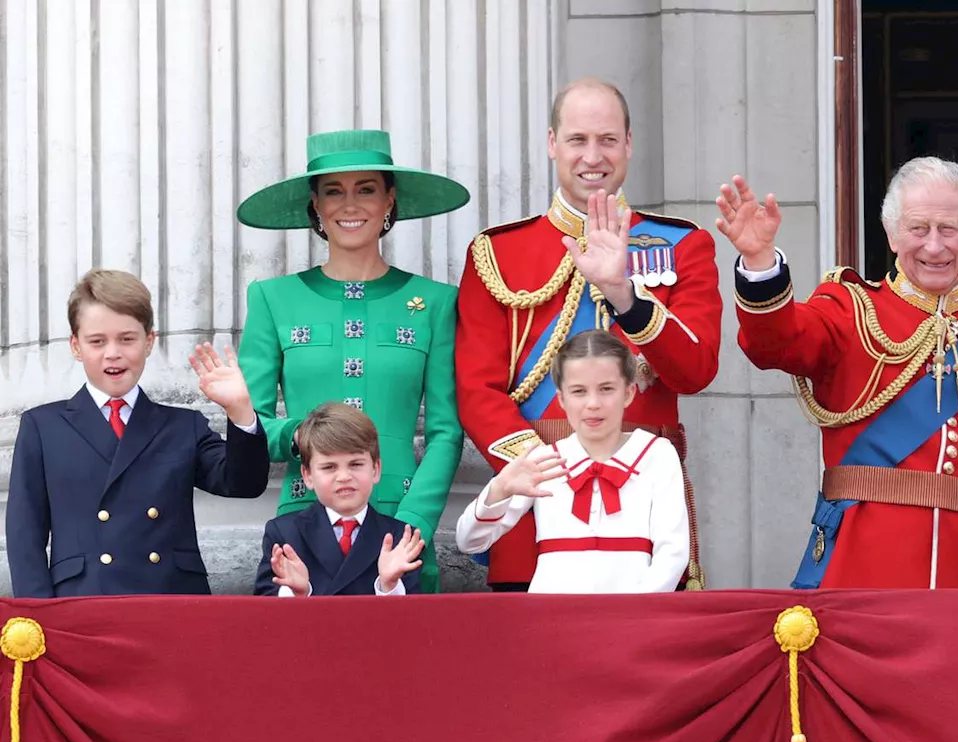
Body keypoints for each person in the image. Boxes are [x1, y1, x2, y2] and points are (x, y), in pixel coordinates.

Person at [718, 158, 958, 589]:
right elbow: (776, 343)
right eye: (918, 229)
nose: (934, 247)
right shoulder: (850, 309)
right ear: (892, 233)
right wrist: (760, 263)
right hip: (859, 574)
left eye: (949, 229)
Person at [455, 77, 721, 592]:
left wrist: (626, 297)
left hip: (644, 505)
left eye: (607, 139)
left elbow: (696, 370)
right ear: (553, 143)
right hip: (537, 509)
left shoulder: (683, 245)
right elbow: (475, 389)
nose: (592, 156)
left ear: (629, 143)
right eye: (577, 140)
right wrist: (545, 473)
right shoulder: (498, 253)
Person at [236, 129, 467, 593]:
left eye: (366, 189)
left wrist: (412, 522)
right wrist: (300, 433)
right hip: (304, 525)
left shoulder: (436, 302)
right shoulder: (272, 299)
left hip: (402, 529)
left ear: (389, 200)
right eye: (333, 192)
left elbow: (446, 431)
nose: (350, 204)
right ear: (315, 205)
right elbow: (250, 422)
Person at [6, 270, 269, 597]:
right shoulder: (43, 427)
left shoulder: (183, 426)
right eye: (97, 341)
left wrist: (240, 410)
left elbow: (244, 484)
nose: (113, 352)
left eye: (127, 339)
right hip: (82, 603)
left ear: (149, 342)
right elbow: (24, 534)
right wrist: (38, 618)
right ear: (75, 345)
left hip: (170, 602)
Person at [455, 330, 689, 593]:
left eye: (606, 389)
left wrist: (634, 615)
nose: (593, 403)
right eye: (578, 391)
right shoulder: (544, 460)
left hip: (633, 621)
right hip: (552, 621)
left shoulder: (657, 454)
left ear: (629, 393)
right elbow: (469, 541)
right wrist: (499, 489)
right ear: (562, 399)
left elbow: (673, 552)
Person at [254, 402, 426, 597]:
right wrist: (298, 593)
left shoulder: (401, 538)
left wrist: (389, 586)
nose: (344, 476)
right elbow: (263, 614)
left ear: (376, 470)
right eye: (329, 467)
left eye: (355, 464)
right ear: (308, 475)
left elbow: (414, 620)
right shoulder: (285, 534)